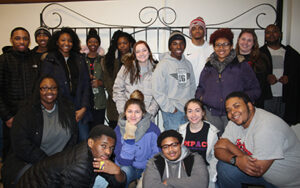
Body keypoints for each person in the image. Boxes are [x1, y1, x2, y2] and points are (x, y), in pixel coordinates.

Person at [1, 76, 78, 187]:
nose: (49, 91)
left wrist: (62, 162)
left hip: (60, 163)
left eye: (53, 88)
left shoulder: (67, 109)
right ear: (38, 90)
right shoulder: (26, 112)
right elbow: (21, 145)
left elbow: (73, 137)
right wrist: (47, 163)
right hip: (31, 162)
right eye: (44, 88)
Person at [215, 91, 300, 188]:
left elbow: (257, 170)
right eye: (228, 110)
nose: (232, 112)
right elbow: (218, 149)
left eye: (237, 106)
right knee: (224, 167)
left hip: (287, 182)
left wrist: (229, 145)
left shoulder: (267, 126)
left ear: (250, 106)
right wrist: (236, 160)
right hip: (266, 176)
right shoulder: (235, 121)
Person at [195, 28, 260, 136]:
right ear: (214, 47)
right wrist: (202, 98)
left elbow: (255, 89)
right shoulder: (208, 66)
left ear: (231, 46)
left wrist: (241, 101)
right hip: (212, 115)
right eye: (218, 45)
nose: (221, 48)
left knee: (233, 146)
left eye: (225, 44)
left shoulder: (241, 65)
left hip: (234, 115)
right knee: (214, 147)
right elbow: (200, 88)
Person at [17, 125, 126, 188]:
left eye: (111, 148)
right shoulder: (80, 167)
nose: (108, 152)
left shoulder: (97, 155)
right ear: (91, 143)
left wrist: (118, 171)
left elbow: (118, 184)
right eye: (104, 146)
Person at [40, 27, 92, 142]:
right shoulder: (50, 60)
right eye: (63, 40)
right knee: (64, 141)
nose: (66, 43)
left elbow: (86, 86)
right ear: (57, 42)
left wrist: (83, 108)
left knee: (84, 139)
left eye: (69, 40)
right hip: (59, 108)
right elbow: (44, 87)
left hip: (79, 107)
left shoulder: (79, 59)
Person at [0, 27, 39, 161]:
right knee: (11, 150)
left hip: (31, 114)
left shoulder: (34, 60)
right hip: (11, 115)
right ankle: (8, 179)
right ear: (11, 40)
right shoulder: (3, 60)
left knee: (30, 148)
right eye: (18, 38)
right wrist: (7, 116)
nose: (22, 41)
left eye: (25, 38)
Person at [114, 92, 160, 188]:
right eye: (129, 111)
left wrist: (147, 170)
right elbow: (124, 161)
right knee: (124, 173)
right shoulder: (119, 129)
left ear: (143, 113)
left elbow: (156, 155)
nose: (133, 115)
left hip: (146, 167)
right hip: (127, 166)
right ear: (124, 113)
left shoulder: (153, 129)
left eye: (137, 112)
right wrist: (129, 138)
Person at [152, 31, 196, 130]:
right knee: (173, 142)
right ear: (170, 46)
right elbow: (156, 90)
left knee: (186, 143)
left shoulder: (188, 64)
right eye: (175, 43)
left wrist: (191, 105)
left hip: (188, 111)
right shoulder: (163, 65)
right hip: (172, 113)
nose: (178, 47)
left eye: (181, 43)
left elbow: (193, 86)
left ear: (184, 46)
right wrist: (171, 108)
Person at [260, 24, 300, 125]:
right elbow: (252, 76)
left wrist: (289, 78)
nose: (271, 35)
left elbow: (297, 73)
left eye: (274, 31)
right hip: (266, 98)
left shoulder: (291, 53)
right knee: (266, 127)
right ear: (265, 36)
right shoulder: (259, 53)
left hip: (285, 97)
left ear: (280, 34)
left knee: (283, 128)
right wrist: (266, 78)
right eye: (268, 32)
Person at [143, 130, 208, 188]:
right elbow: (149, 185)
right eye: (165, 147)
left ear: (181, 145)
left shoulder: (194, 159)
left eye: (174, 145)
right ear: (161, 149)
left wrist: (169, 182)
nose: (171, 150)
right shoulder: (154, 162)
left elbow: (201, 183)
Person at [178, 98, 219, 188]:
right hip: (186, 170)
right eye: (190, 111)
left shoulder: (212, 132)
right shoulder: (181, 131)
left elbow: (214, 157)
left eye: (197, 111)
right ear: (186, 114)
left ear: (203, 112)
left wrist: (212, 176)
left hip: (205, 169)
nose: (193, 115)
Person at [113, 40, 159, 118]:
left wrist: (149, 114)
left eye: (144, 50)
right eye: (138, 51)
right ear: (134, 54)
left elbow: (158, 95)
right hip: (128, 118)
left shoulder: (157, 70)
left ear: (149, 52)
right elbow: (118, 90)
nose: (141, 54)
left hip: (147, 118)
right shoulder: (126, 68)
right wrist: (124, 112)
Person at [102, 30, 136, 129]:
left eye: (125, 43)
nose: (122, 46)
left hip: (134, 102)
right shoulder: (110, 60)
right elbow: (108, 82)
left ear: (130, 44)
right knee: (116, 134)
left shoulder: (137, 58)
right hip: (114, 103)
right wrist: (118, 97)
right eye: (119, 43)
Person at [236, 29, 271, 108]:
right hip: (235, 101)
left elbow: (261, 84)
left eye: (249, 40)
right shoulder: (231, 58)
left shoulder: (261, 59)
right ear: (238, 40)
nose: (245, 43)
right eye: (243, 39)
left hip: (255, 102)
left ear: (254, 43)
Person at [85, 28, 106, 127]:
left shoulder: (103, 60)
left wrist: (100, 83)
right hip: (85, 102)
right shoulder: (81, 60)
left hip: (100, 102)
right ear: (87, 43)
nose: (93, 44)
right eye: (90, 42)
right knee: (85, 134)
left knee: (98, 131)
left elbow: (110, 81)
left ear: (99, 44)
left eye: (96, 42)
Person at [185, 17, 213, 86]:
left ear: (204, 31)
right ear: (190, 32)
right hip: (188, 88)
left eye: (200, 28)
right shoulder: (184, 47)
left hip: (207, 88)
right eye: (194, 29)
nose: (197, 31)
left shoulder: (212, 48)